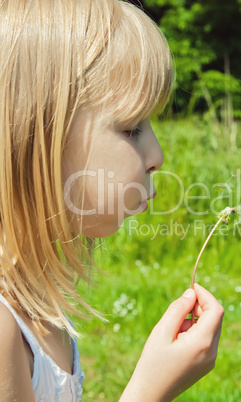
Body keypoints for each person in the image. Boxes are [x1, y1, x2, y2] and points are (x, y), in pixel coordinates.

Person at [0, 0, 225, 401]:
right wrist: (148, 391)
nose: (157, 156)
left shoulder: (35, 299)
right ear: (36, 133)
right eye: (132, 128)